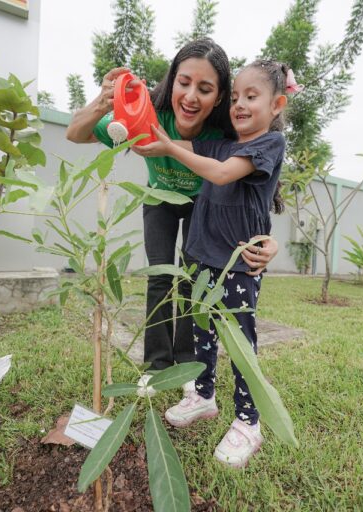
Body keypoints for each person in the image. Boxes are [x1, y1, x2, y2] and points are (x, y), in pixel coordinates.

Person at [65, 40, 279, 395]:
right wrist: (103, 101)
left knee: (193, 280)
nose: (191, 96)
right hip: (159, 198)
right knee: (161, 276)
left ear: (220, 96)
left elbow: (261, 181)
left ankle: (188, 366)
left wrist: (269, 239)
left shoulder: (225, 132)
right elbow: (75, 133)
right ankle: (157, 365)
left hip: (204, 205)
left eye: (205, 88)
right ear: (172, 81)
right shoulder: (146, 113)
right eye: (184, 82)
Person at [146, 60, 301, 468]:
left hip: (237, 263)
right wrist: (149, 124)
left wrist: (167, 147)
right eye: (235, 97)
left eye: (252, 97)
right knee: (202, 336)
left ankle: (249, 423)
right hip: (200, 259)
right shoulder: (220, 142)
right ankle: (202, 395)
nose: (240, 104)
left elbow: (219, 174)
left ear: (277, 103)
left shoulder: (269, 144)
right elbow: (185, 144)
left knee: (239, 345)